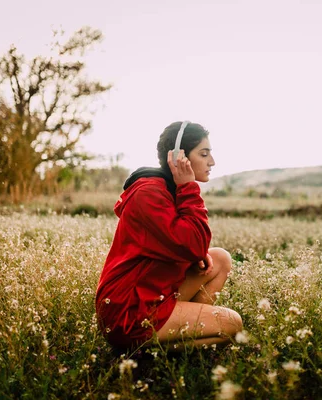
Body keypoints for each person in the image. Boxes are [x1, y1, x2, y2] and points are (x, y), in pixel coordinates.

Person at [95, 121, 243, 352]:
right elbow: (193, 244)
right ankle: (143, 354)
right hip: (130, 311)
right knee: (232, 324)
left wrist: (191, 255)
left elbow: (181, 244)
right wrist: (188, 186)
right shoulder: (149, 193)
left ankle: (178, 327)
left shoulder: (164, 187)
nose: (212, 162)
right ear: (177, 157)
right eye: (204, 154)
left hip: (152, 293)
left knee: (220, 258)